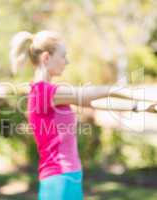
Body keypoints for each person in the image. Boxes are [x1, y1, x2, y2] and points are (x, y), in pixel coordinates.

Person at [9, 30, 157, 200]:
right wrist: (144, 95)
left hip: (68, 176)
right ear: (46, 58)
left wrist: (141, 107)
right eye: (63, 56)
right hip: (59, 180)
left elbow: (95, 103)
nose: (67, 61)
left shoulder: (52, 94)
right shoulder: (44, 92)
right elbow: (98, 92)